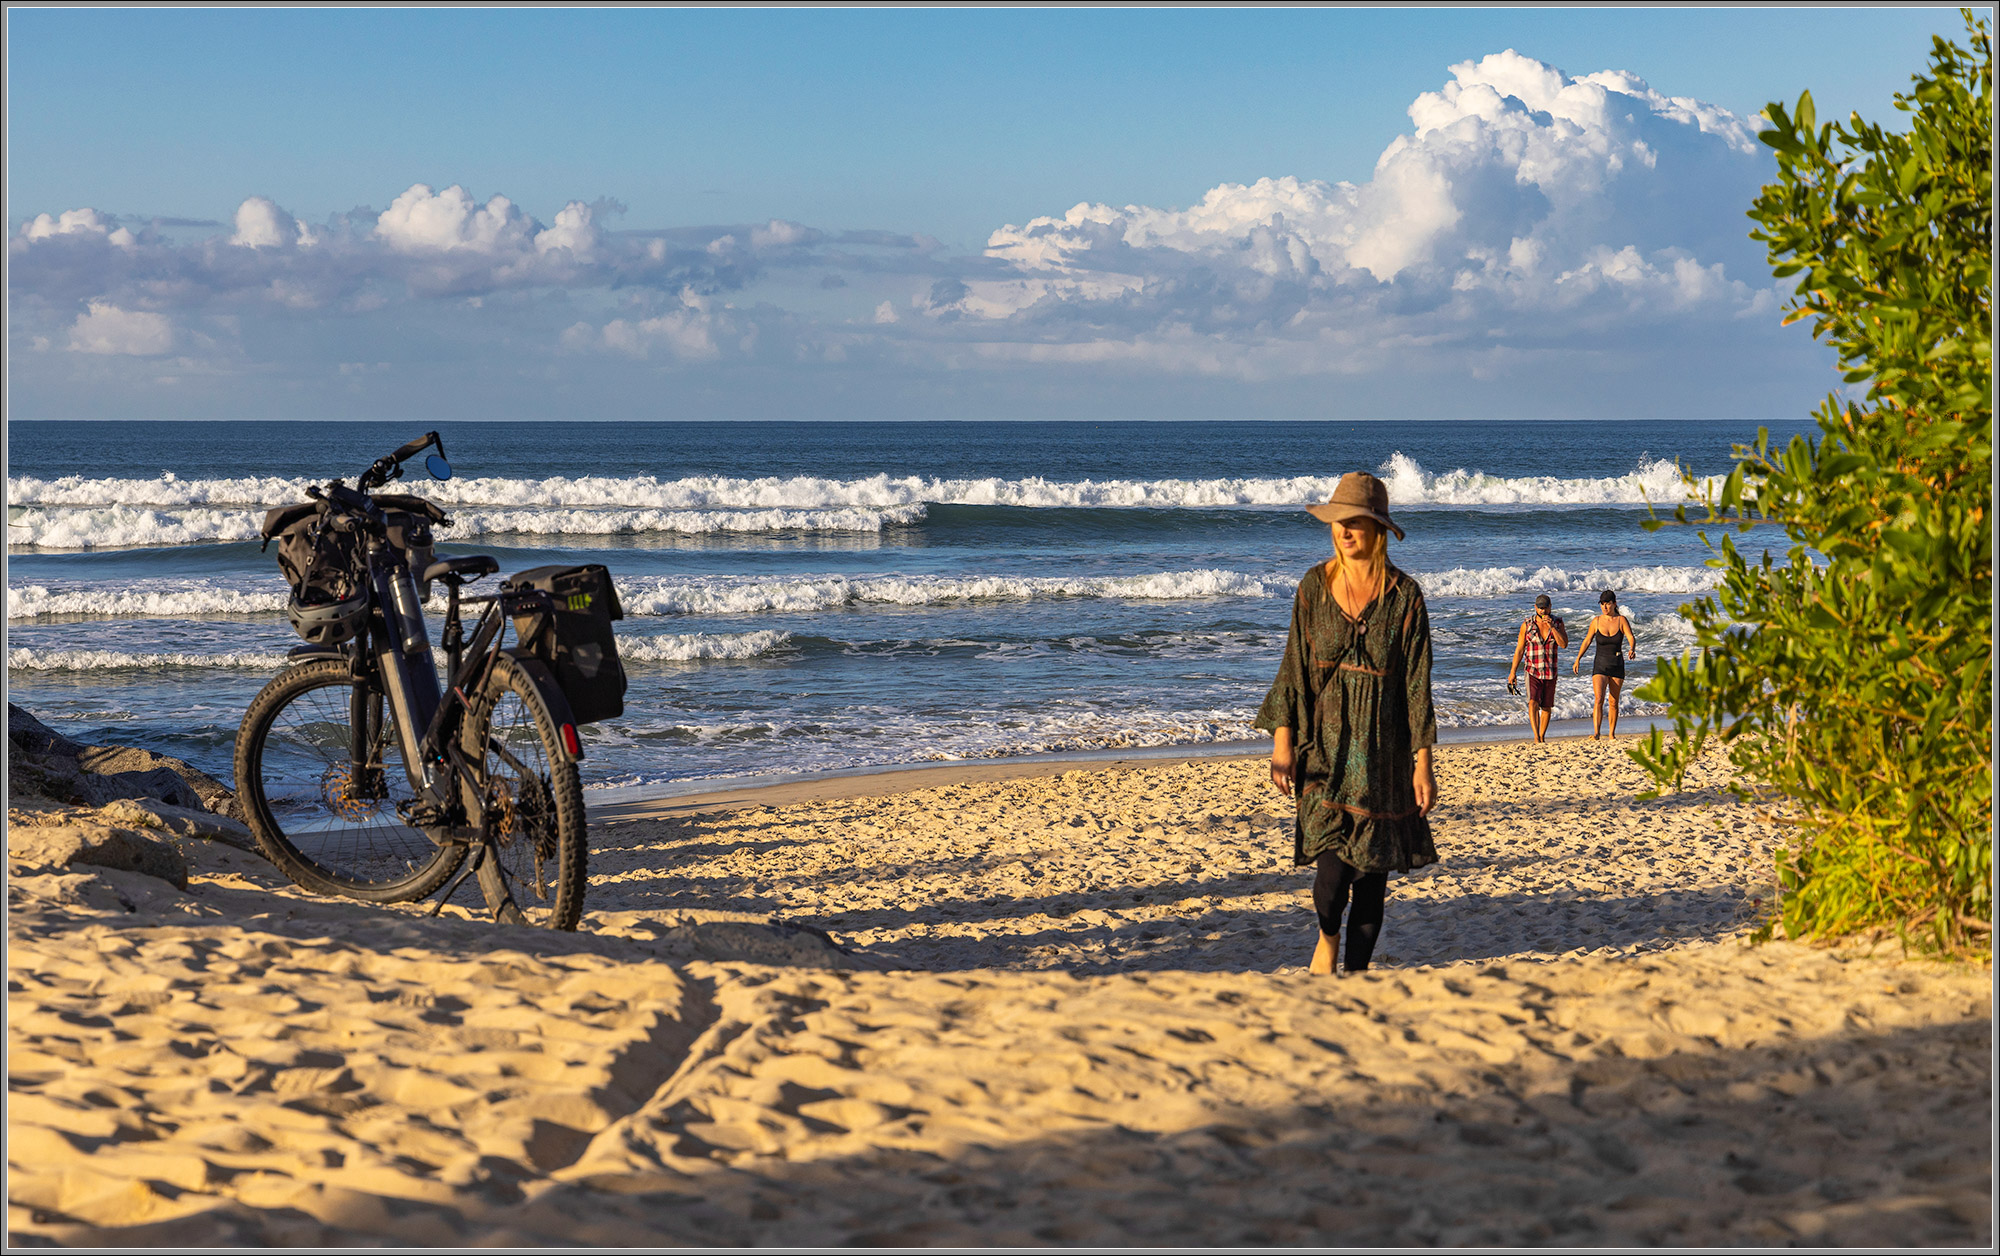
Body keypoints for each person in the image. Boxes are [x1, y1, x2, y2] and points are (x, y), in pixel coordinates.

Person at [1257, 471, 1438, 977]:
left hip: (1382, 754)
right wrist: (1283, 740)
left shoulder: (1406, 597)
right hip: (1326, 752)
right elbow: (1293, 668)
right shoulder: (1313, 587)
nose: (1345, 531)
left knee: (1372, 880)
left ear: (1378, 529)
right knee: (1332, 879)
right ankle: (1327, 934)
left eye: (1356, 522)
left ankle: (1356, 979)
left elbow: (1417, 688)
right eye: (1339, 522)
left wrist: (1423, 765)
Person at [1572, 589, 1637, 739]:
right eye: (1602, 604)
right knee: (1599, 698)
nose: (1605, 607)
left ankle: (1612, 734)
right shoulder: (1596, 621)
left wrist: (1632, 649)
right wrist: (1578, 659)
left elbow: (1630, 637)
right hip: (1600, 664)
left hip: (1617, 664)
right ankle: (1596, 733)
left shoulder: (1622, 620)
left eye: (1607, 604)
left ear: (1614, 603)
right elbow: (1587, 640)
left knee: (1613, 701)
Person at [1505, 594, 1567, 743]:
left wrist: (1552, 627)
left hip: (1551, 670)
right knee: (1533, 701)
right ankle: (1536, 737)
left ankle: (1542, 736)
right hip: (1532, 669)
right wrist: (1512, 672)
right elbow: (1520, 649)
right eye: (1540, 608)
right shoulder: (1527, 624)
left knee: (1546, 706)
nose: (1543, 611)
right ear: (1535, 608)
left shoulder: (1558, 623)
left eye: (1545, 607)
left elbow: (1564, 644)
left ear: (1550, 607)